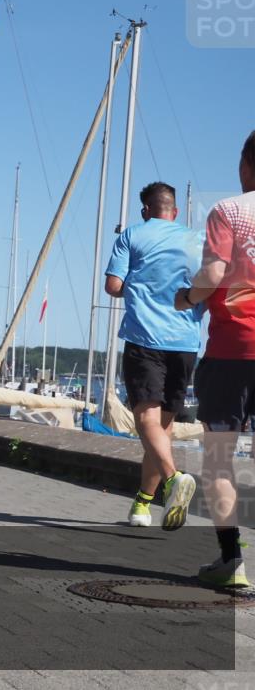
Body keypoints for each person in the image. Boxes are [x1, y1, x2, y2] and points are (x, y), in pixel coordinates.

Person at [175, 130, 255, 588]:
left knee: (220, 460)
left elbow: (213, 273)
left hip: (233, 352)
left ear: (246, 164)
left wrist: (187, 297)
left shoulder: (230, 211)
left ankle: (231, 562)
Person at [104, 181, 202, 529]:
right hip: (186, 342)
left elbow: (113, 286)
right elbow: (211, 282)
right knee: (162, 428)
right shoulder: (197, 240)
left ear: (146, 210)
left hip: (145, 338)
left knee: (146, 419)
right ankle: (142, 505)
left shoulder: (132, 235)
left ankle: (174, 480)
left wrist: (139, 286)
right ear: (175, 211)